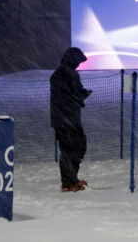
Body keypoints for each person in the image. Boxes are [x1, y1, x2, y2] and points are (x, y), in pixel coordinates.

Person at [50, 47, 92, 192]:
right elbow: (72, 96)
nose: (79, 65)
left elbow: (69, 95)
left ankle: (71, 179)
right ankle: (69, 182)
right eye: (78, 62)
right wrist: (83, 95)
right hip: (67, 119)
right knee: (71, 149)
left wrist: (81, 95)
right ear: (73, 59)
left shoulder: (61, 73)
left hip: (65, 119)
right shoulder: (68, 74)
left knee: (74, 147)